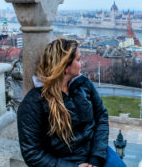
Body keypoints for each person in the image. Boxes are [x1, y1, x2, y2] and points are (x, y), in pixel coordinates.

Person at [17, 38, 126, 167]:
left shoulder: (83, 84)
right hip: (64, 162)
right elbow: (32, 153)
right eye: (78, 60)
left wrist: (96, 158)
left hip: (97, 154)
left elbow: (101, 116)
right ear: (65, 67)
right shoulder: (34, 103)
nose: (82, 63)